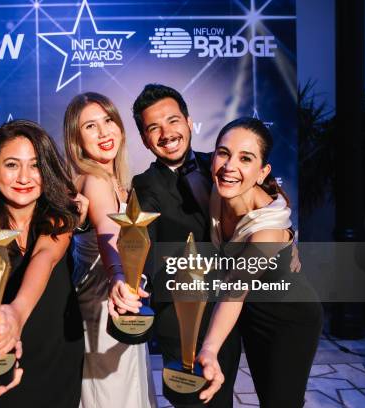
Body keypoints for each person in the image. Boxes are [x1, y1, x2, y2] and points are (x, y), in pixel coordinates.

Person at [0, 119, 85, 408]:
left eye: (35, 165)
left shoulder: (58, 215)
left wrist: (16, 312)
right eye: (12, 165)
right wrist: (0, 328)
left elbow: (44, 258)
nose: (24, 177)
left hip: (59, 346)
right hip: (7, 346)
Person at [127, 84, 241, 407]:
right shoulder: (144, 185)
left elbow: (260, 206)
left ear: (189, 122)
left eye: (173, 120)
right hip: (178, 318)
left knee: (222, 399)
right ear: (144, 139)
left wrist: (284, 236)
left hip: (228, 311)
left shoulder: (220, 165)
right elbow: (142, 238)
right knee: (192, 401)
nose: (166, 133)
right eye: (153, 127)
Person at [197, 117, 322, 407]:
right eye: (223, 153)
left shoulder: (267, 228)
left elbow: (234, 290)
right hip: (253, 313)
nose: (230, 166)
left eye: (246, 158)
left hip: (290, 319)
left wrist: (210, 348)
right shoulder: (217, 181)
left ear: (262, 171)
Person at [63, 92, 157, 408]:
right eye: (91, 126)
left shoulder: (116, 180)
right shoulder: (94, 180)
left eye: (108, 120)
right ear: (76, 139)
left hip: (118, 300)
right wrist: (118, 275)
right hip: (105, 307)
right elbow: (109, 236)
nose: (104, 132)